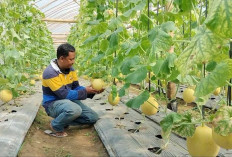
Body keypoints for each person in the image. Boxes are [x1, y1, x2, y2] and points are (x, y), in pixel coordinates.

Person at [42, 43, 103, 137]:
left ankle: (62, 121)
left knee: (92, 117)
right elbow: (63, 94)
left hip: (68, 102)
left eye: (74, 58)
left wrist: (91, 90)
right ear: (62, 58)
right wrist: (85, 91)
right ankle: (56, 125)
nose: (73, 61)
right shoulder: (50, 73)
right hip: (52, 104)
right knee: (75, 109)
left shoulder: (71, 69)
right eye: (71, 59)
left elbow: (75, 88)